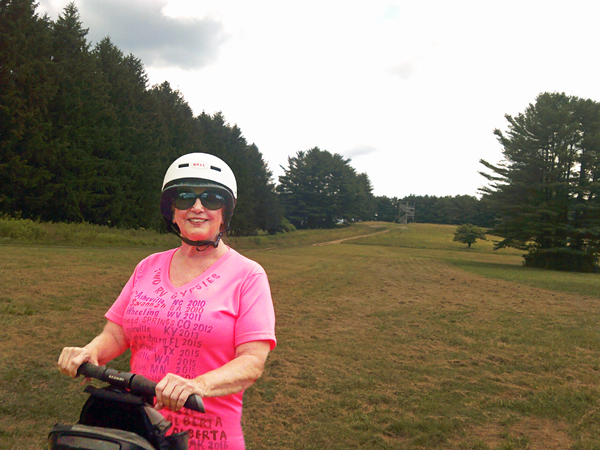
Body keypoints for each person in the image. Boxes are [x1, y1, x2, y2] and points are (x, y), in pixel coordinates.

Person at [58, 153, 277, 450]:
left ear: (225, 211)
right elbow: (116, 332)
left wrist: (197, 385)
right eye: (185, 197)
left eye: (211, 199)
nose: (197, 207)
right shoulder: (147, 266)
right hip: (136, 430)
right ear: (172, 211)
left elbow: (251, 362)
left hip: (208, 438)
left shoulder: (248, 275)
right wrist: (90, 351)